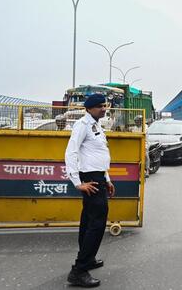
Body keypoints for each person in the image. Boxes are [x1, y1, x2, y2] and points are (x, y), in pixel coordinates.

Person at [65, 93, 116, 288]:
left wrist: (107, 178)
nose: (104, 108)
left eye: (105, 105)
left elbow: (99, 153)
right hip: (90, 179)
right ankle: (79, 270)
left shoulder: (96, 124)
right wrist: (77, 182)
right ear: (89, 108)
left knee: (88, 220)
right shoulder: (82, 125)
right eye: (100, 106)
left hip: (98, 177)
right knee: (97, 222)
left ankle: (88, 258)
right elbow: (71, 152)